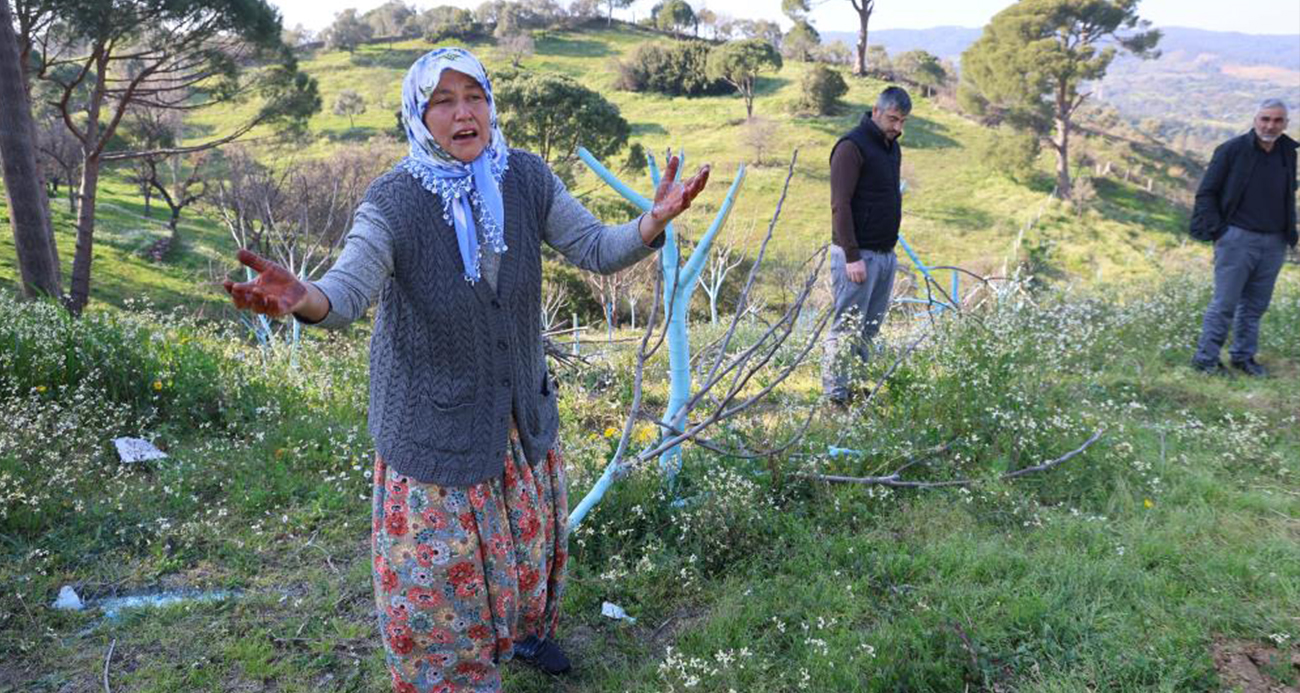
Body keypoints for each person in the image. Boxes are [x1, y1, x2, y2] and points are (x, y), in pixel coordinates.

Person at [223, 47, 710, 692]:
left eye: (474, 96)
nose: (463, 113)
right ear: (419, 116)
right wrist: (305, 298)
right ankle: (457, 677)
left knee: (527, 551)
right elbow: (348, 288)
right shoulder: (393, 201)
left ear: (491, 105)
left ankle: (526, 635)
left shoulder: (525, 178)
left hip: (515, 416)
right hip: (435, 430)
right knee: (443, 585)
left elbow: (593, 247)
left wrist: (652, 221)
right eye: (443, 101)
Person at [1190, 98, 1297, 377]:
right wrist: (1220, 233)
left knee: (1255, 307)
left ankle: (1243, 357)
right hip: (1237, 239)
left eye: (1277, 120)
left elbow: (1286, 194)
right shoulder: (1231, 150)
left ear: (1286, 124)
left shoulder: (1288, 152)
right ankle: (1206, 360)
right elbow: (1206, 194)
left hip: (1274, 242)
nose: (1270, 125)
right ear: (1255, 119)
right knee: (1224, 304)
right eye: (1265, 119)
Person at [821, 86, 910, 405]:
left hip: (885, 255)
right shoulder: (850, 147)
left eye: (902, 122)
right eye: (892, 119)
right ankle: (835, 396)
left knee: (870, 328)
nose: (897, 127)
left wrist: (890, 253)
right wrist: (852, 256)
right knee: (846, 327)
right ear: (876, 111)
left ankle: (855, 389)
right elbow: (840, 205)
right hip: (856, 256)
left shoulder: (891, 148)